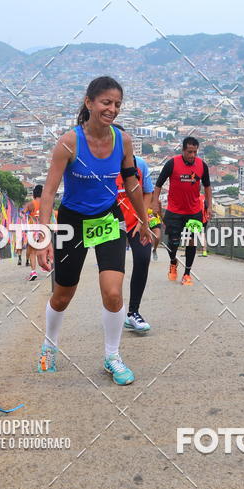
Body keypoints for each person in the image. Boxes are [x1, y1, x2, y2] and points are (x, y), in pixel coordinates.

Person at [34, 76, 152, 385]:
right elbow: (49, 192)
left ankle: (112, 356)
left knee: (113, 292)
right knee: (62, 295)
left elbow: (132, 183)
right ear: (89, 103)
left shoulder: (123, 141)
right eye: (106, 102)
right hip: (72, 222)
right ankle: (49, 345)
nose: (112, 109)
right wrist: (43, 236)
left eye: (117, 104)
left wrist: (144, 220)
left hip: (108, 219)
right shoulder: (69, 142)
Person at [152, 137, 212, 285]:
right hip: (175, 210)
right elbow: (158, 184)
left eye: (195, 152)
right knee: (173, 242)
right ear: (183, 150)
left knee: (191, 241)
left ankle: (187, 274)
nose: (192, 155)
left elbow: (207, 187)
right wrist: (154, 203)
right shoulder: (172, 163)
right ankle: (173, 261)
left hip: (194, 211)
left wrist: (209, 206)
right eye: (189, 152)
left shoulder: (202, 165)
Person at [113, 125, 155, 333]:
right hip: (112, 225)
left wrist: (142, 218)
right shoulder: (102, 167)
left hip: (135, 222)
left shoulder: (139, 165)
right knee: (114, 270)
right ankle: (114, 312)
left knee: (143, 258)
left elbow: (148, 192)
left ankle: (133, 312)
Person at [24, 185, 43, 281]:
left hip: (33, 230)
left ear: (34, 194)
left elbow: (22, 214)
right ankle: (48, 267)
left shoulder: (30, 204)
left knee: (33, 252)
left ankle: (33, 272)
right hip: (44, 229)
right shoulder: (46, 203)